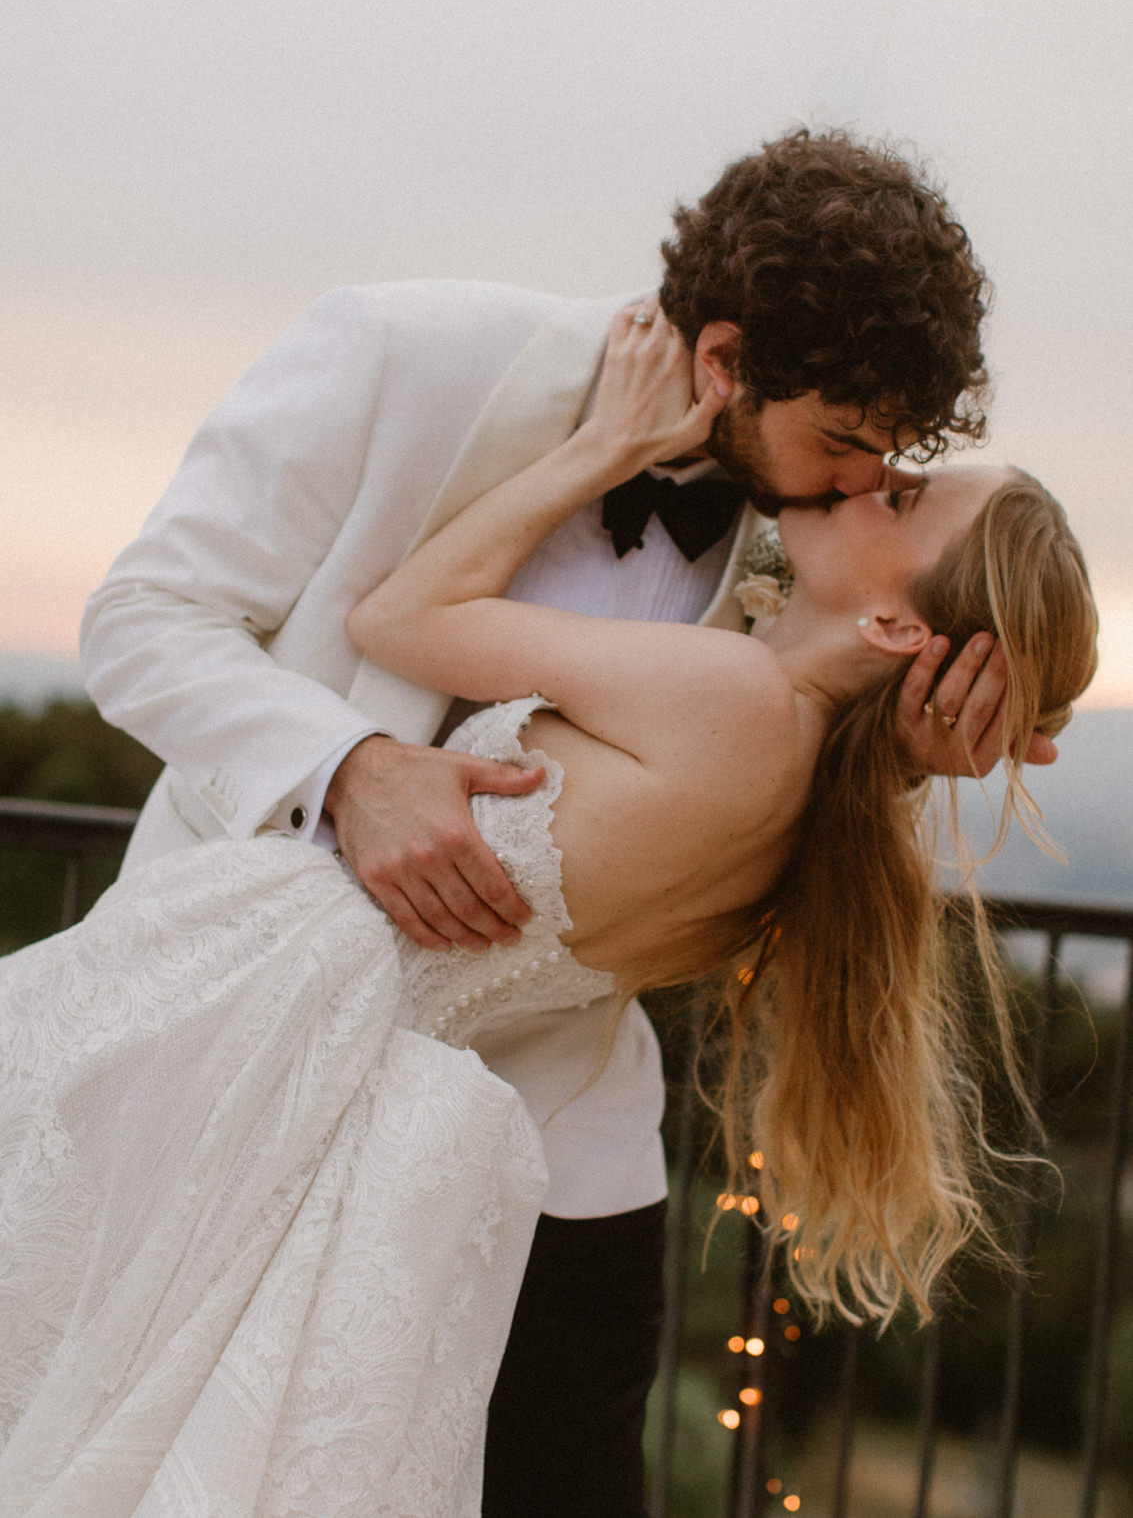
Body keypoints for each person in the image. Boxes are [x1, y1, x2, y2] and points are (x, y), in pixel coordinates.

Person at [76, 129, 1048, 1514]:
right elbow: (140, 621)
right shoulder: (400, 353)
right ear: (722, 359)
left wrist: (895, 753)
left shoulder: (796, 533)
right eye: (840, 445)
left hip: (552, 1157)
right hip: (242, 1078)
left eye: (880, 465)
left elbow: (709, 813)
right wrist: (347, 762)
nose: (847, 489)